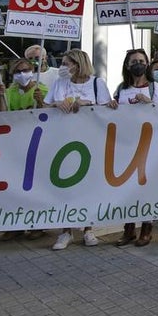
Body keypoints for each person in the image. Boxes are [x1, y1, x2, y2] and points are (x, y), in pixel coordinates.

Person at [43, 48, 117, 250]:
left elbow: (105, 111)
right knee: (65, 186)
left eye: (66, 63)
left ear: (78, 64)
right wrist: (58, 104)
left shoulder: (97, 83)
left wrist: (87, 104)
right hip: (62, 141)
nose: (63, 67)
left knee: (88, 185)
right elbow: (46, 106)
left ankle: (88, 229)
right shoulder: (59, 83)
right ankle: (65, 231)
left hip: (90, 141)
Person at [112, 49, 158, 248]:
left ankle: (147, 228)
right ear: (127, 65)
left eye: (142, 61)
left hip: (149, 144)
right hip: (126, 144)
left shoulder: (155, 88)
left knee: (146, 186)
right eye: (134, 61)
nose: (138, 64)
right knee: (127, 187)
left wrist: (149, 103)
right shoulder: (121, 89)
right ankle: (128, 229)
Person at [0, 57, 48, 242]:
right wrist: (2, 96)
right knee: (14, 186)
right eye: (17, 72)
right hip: (15, 145)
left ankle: (38, 224)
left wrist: (41, 102)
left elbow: (50, 115)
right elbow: (3, 115)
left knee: (36, 186)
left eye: (26, 70)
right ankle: (15, 224)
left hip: (37, 144)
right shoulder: (10, 91)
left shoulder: (41, 90)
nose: (22, 74)